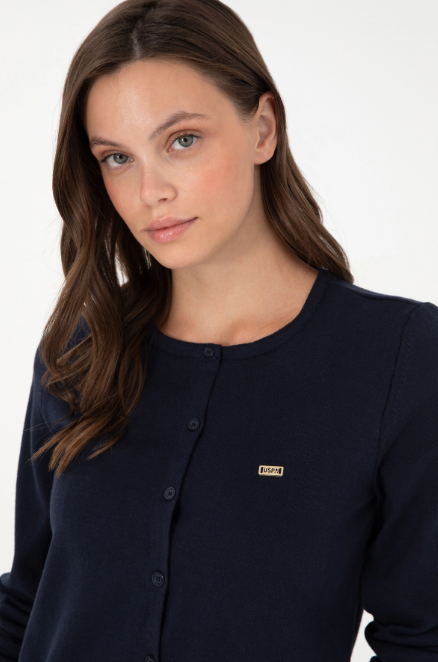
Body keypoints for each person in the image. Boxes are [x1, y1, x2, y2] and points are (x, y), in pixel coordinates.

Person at [1, 0, 437, 660]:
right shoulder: (83, 347)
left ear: (263, 129)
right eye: (117, 157)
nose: (150, 191)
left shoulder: (397, 357)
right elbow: (27, 600)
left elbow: (423, 638)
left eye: (181, 141)